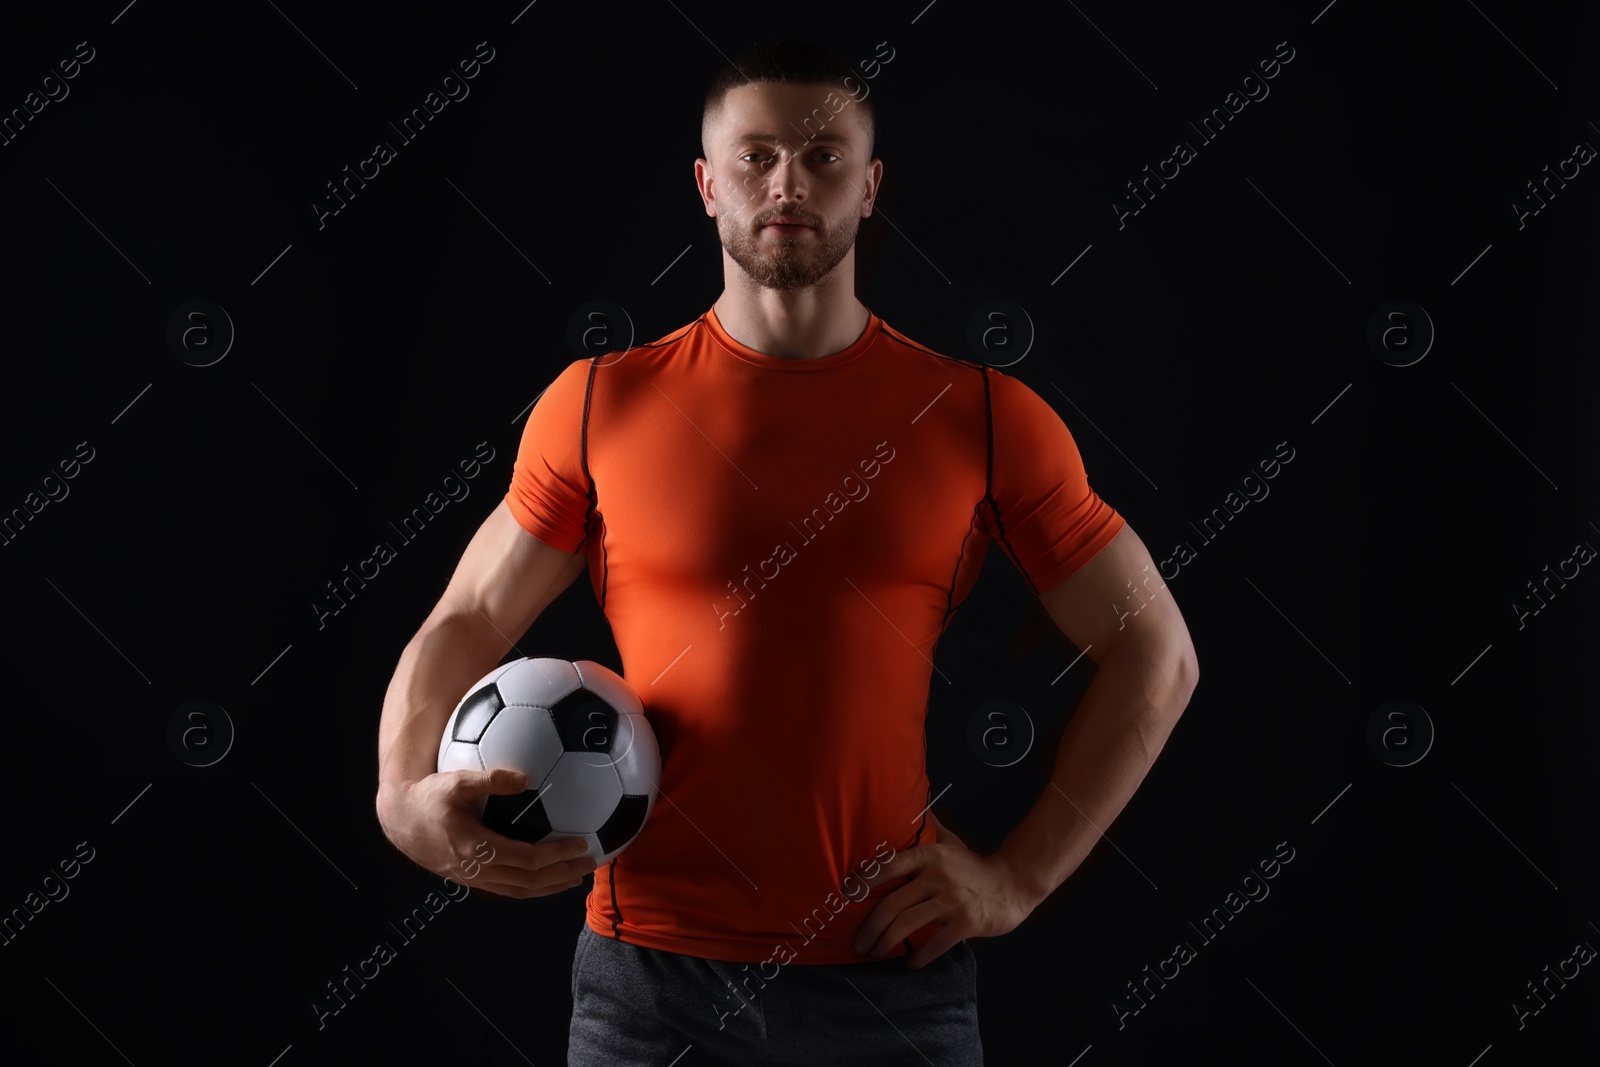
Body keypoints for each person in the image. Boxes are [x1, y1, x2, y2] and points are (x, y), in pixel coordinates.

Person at [375, 38, 1199, 1067]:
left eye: (822, 156)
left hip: (893, 981)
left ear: (869, 185)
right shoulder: (598, 402)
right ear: (705, 184)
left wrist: (1016, 879)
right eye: (756, 155)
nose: (787, 183)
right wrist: (402, 798)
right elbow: (467, 618)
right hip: (649, 987)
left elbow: (1155, 654)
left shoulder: (980, 417)